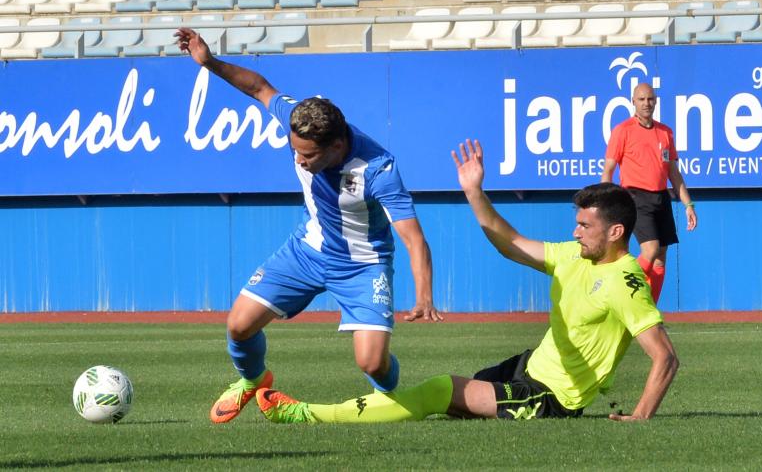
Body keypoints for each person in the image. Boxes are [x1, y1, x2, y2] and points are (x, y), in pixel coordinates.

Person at [252, 139, 679, 424]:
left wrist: (640, 417)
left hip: (551, 397)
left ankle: (311, 414)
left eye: (585, 226)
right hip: (529, 366)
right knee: (460, 397)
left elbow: (665, 358)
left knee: (443, 389)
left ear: (616, 233)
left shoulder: (626, 281)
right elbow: (510, 243)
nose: (575, 232)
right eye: (577, 223)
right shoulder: (576, 255)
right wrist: (475, 192)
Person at [175, 28, 443, 424]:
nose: (299, 161)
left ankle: (389, 394)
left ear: (336, 147)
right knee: (238, 326)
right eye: (295, 150)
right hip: (307, 250)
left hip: (363, 265)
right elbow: (259, 88)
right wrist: (209, 63)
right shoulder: (301, 118)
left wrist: (424, 297)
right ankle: (253, 379)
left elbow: (413, 239)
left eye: (309, 155)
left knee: (371, 363)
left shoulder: (379, 170)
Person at [601, 82, 697, 303]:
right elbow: (608, 170)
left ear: (655, 101)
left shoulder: (665, 132)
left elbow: (674, 173)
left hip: (661, 196)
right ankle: (622, 293)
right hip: (635, 196)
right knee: (651, 249)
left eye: (650, 99)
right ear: (633, 102)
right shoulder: (622, 130)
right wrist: (607, 202)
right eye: (642, 99)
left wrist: (688, 205)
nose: (647, 103)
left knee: (661, 259)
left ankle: (649, 311)